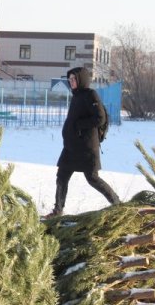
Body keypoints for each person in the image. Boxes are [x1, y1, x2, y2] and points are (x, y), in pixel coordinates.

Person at [46, 66, 119, 217]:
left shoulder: (90, 94)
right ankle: (57, 210)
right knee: (62, 175)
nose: (71, 82)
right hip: (71, 147)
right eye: (69, 79)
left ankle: (117, 204)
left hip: (86, 148)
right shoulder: (76, 95)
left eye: (73, 79)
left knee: (92, 178)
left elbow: (100, 118)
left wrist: (79, 125)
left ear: (81, 79)